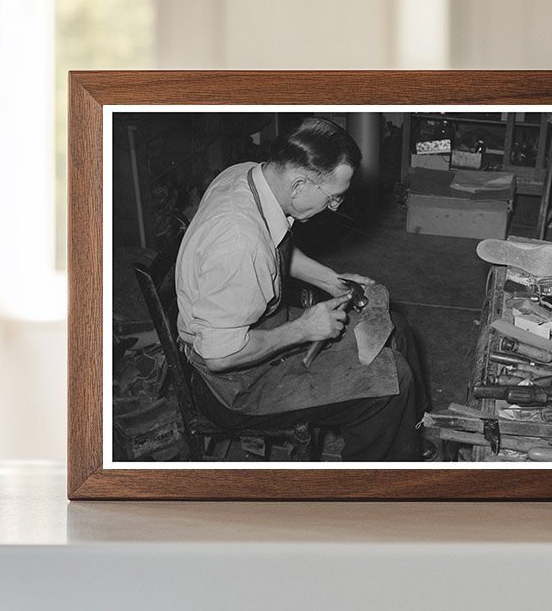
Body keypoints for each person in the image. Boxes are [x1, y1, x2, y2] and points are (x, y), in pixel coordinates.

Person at [176, 116, 424, 461]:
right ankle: (369, 491)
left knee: (396, 327)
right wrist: (304, 329)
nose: (334, 207)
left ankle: (409, 439)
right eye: (334, 197)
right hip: (234, 387)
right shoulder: (237, 242)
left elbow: (272, 249)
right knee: (392, 383)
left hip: (255, 330)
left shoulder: (248, 176)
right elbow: (220, 355)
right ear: (298, 185)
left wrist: (330, 280)